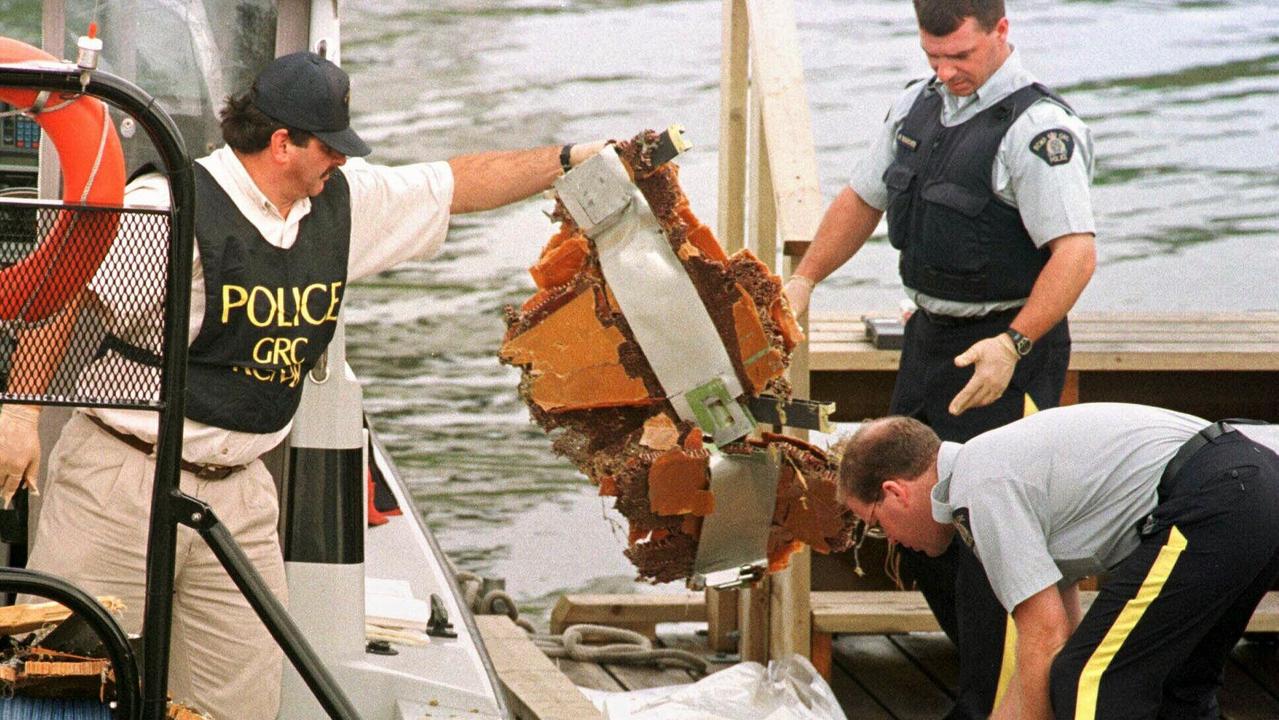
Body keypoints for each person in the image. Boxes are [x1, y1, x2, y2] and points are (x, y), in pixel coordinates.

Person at [0, 51, 607, 719]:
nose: (341, 162)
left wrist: (573, 158)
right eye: (331, 147)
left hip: (241, 494)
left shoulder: (341, 206)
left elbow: (456, 184)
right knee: (64, 680)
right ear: (283, 142)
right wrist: (21, 417)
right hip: (122, 480)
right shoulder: (171, 206)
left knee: (239, 701)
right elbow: (60, 300)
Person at [783, 1, 1097, 714]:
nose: (947, 72)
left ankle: (995, 702)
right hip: (927, 340)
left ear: (1000, 32)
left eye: (961, 56)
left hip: (1007, 348)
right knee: (911, 529)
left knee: (997, 542)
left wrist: (1013, 345)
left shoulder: (1036, 130)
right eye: (933, 57)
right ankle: (986, 685)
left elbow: (1075, 255)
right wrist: (804, 280)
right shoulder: (915, 107)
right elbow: (860, 200)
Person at [837, 404, 1279, 720]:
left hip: (1220, 493)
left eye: (876, 524)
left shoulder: (978, 485)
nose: (890, 540)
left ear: (896, 492)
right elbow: (1058, 637)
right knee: (1177, 687)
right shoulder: (998, 466)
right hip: (1252, 482)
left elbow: (1045, 640)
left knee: (1092, 682)